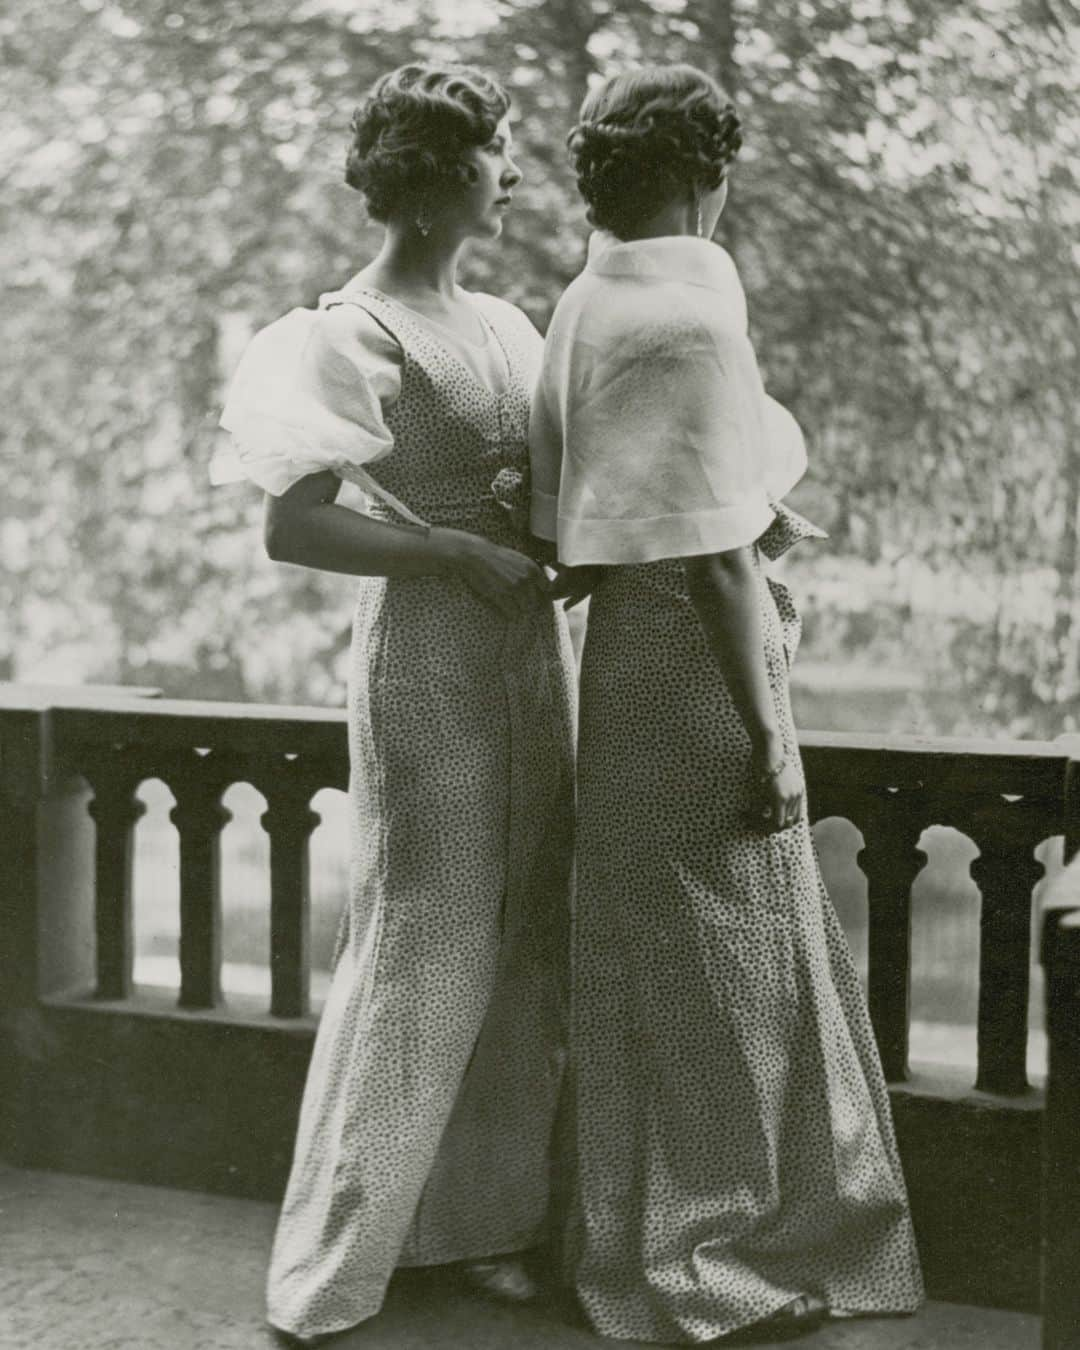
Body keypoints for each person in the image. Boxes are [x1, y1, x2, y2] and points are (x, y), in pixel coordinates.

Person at [530, 64, 924, 1344]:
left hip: (626, 659)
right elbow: (715, 562)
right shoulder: (688, 319)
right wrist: (772, 737)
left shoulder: (589, 301)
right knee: (731, 965)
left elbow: (593, 540)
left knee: (672, 953)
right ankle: (710, 1258)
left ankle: (672, 1235)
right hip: (699, 668)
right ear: (706, 176)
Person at [215, 63, 576, 1344]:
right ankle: (343, 1253)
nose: (515, 175)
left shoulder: (513, 322)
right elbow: (294, 528)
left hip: (530, 658)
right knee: (428, 940)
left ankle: (483, 1227)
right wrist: (453, 555)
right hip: (426, 659)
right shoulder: (345, 333)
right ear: (436, 175)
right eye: (496, 153)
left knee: (523, 939)